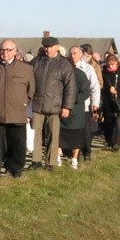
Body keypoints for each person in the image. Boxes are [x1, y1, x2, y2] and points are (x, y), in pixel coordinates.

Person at [0, 39, 35, 178]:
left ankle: (15, 169)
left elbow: (31, 92)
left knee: (17, 144)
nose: (5, 53)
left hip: (18, 113)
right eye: (2, 50)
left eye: (8, 50)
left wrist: (28, 112)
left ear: (15, 51)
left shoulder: (26, 68)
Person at [28, 36, 76, 171]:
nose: (47, 50)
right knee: (35, 133)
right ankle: (36, 160)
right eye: (45, 47)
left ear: (57, 47)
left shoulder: (64, 64)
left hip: (55, 106)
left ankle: (51, 161)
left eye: (50, 47)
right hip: (37, 104)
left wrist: (67, 106)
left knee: (53, 135)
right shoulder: (36, 61)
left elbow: (70, 87)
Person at [69, 46, 100, 161]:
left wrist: (95, 103)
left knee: (85, 130)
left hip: (84, 104)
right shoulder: (67, 68)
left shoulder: (88, 68)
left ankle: (87, 151)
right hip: (71, 105)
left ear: (81, 54)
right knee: (73, 129)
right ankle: (72, 151)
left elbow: (95, 87)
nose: (73, 55)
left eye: (75, 53)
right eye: (71, 53)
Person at [58, 61, 90, 169]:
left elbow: (85, 92)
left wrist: (72, 100)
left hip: (76, 110)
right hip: (61, 109)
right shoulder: (60, 73)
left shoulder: (80, 75)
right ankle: (57, 156)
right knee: (59, 134)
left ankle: (75, 158)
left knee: (76, 136)